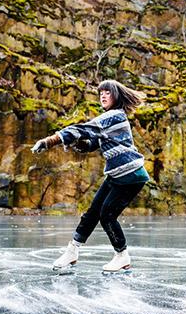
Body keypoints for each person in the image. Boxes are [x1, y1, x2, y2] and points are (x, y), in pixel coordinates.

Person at [31, 80, 149, 273]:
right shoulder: (109, 119)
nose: (103, 95)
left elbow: (84, 129)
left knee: (107, 215)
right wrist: (80, 144)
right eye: (101, 92)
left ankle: (122, 256)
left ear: (116, 96)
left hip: (131, 174)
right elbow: (93, 142)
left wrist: (51, 140)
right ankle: (72, 251)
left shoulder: (115, 116)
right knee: (92, 213)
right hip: (116, 174)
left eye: (107, 92)